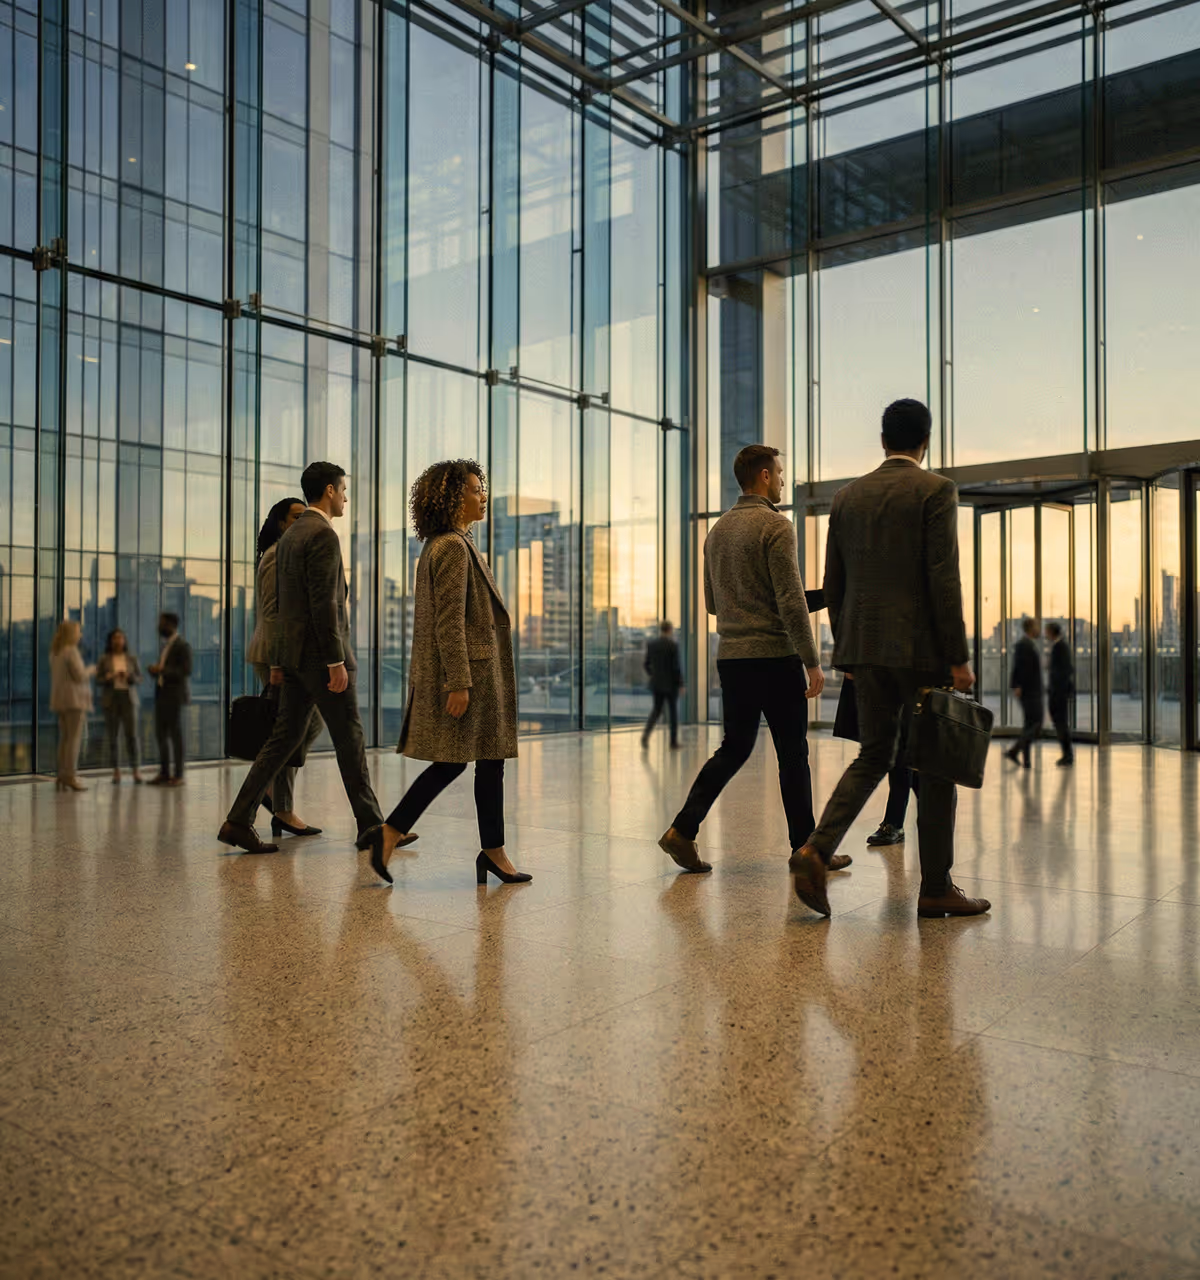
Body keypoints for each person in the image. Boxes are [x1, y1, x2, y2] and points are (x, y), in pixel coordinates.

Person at [790, 399, 991, 920]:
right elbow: (943, 578)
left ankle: (816, 849)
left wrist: (847, 650)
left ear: (883, 441)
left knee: (874, 755)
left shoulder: (847, 497)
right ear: (925, 441)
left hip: (865, 650)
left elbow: (834, 584)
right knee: (936, 767)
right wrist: (958, 657)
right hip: (920, 652)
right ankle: (936, 887)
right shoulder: (935, 490)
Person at [658, 443, 840, 876]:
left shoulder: (716, 532)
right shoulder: (776, 526)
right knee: (792, 754)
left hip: (733, 659)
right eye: (779, 473)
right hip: (775, 659)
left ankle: (682, 830)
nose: (782, 481)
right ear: (763, 475)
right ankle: (805, 850)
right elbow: (789, 602)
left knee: (735, 747)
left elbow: (712, 604)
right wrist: (812, 661)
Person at [368, 459, 530, 888]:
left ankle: (491, 851)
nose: (483, 496)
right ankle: (391, 832)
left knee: (480, 762)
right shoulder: (453, 548)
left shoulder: (446, 544)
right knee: (459, 763)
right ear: (455, 498)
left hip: (471, 672)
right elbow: (448, 621)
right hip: (470, 675)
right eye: (475, 490)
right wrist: (458, 682)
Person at [218, 461, 384, 855]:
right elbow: (324, 604)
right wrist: (335, 661)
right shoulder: (322, 534)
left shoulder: (289, 538)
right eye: (343, 490)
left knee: (283, 739)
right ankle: (372, 826)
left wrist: (281, 661)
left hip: (293, 658)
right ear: (329, 490)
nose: (345, 498)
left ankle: (238, 820)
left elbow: (284, 608)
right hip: (320, 659)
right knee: (350, 738)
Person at [247, 496, 324, 839]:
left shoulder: (290, 554)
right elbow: (273, 610)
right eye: (295, 517)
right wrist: (278, 661)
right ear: (280, 523)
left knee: (295, 728)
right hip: (274, 654)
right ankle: (276, 801)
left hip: (287, 653)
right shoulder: (277, 554)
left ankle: (279, 802)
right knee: (295, 728)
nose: (301, 522)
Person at [148, 612, 192, 786]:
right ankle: (165, 773)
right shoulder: (165, 646)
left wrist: (161, 671)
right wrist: (156, 672)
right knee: (161, 735)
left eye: (162, 623)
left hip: (174, 696)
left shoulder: (182, 645)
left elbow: (185, 670)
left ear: (171, 625)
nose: (159, 627)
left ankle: (178, 775)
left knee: (175, 735)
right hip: (161, 694)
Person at [49, 620, 93, 792]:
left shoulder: (56, 652)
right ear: (71, 634)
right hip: (74, 700)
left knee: (65, 739)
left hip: (61, 700)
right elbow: (80, 676)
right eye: (78, 631)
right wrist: (92, 670)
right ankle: (70, 776)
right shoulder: (71, 651)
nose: (80, 635)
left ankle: (62, 775)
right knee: (74, 740)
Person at [96, 628, 143, 784]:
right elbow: (98, 680)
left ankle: (136, 771)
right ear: (110, 641)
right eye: (115, 638)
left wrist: (129, 677)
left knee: (132, 736)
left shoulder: (131, 658)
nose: (118, 641)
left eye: (120, 638)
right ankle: (116, 772)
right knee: (113, 737)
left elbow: (139, 678)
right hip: (111, 699)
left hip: (129, 699)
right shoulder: (104, 659)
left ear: (124, 640)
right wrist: (109, 677)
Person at [1006, 618, 1044, 769]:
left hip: (1029, 690)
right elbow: (1019, 667)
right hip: (1030, 691)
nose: (1039, 629)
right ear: (1031, 628)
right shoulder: (1024, 645)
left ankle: (1026, 760)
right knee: (1036, 724)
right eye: (1037, 626)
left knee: (1029, 725)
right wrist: (1017, 685)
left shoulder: (1028, 644)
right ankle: (1015, 751)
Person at [641, 621, 683, 749]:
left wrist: (653, 675)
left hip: (657, 683)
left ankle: (645, 736)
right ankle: (673, 742)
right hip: (670, 684)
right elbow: (676, 667)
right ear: (669, 630)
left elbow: (646, 664)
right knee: (673, 712)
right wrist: (680, 683)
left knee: (656, 710)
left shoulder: (652, 645)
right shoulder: (672, 645)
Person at [1046, 621, 1075, 767]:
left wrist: (1055, 689)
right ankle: (1067, 754)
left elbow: (1064, 670)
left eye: (1047, 631)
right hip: (1060, 691)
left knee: (1061, 723)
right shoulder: (1061, 645)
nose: (1045, 634)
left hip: (1059, 692)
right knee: (1061, 722)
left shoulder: (1059, 647)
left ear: (1052, 632)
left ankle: (1067, 755)